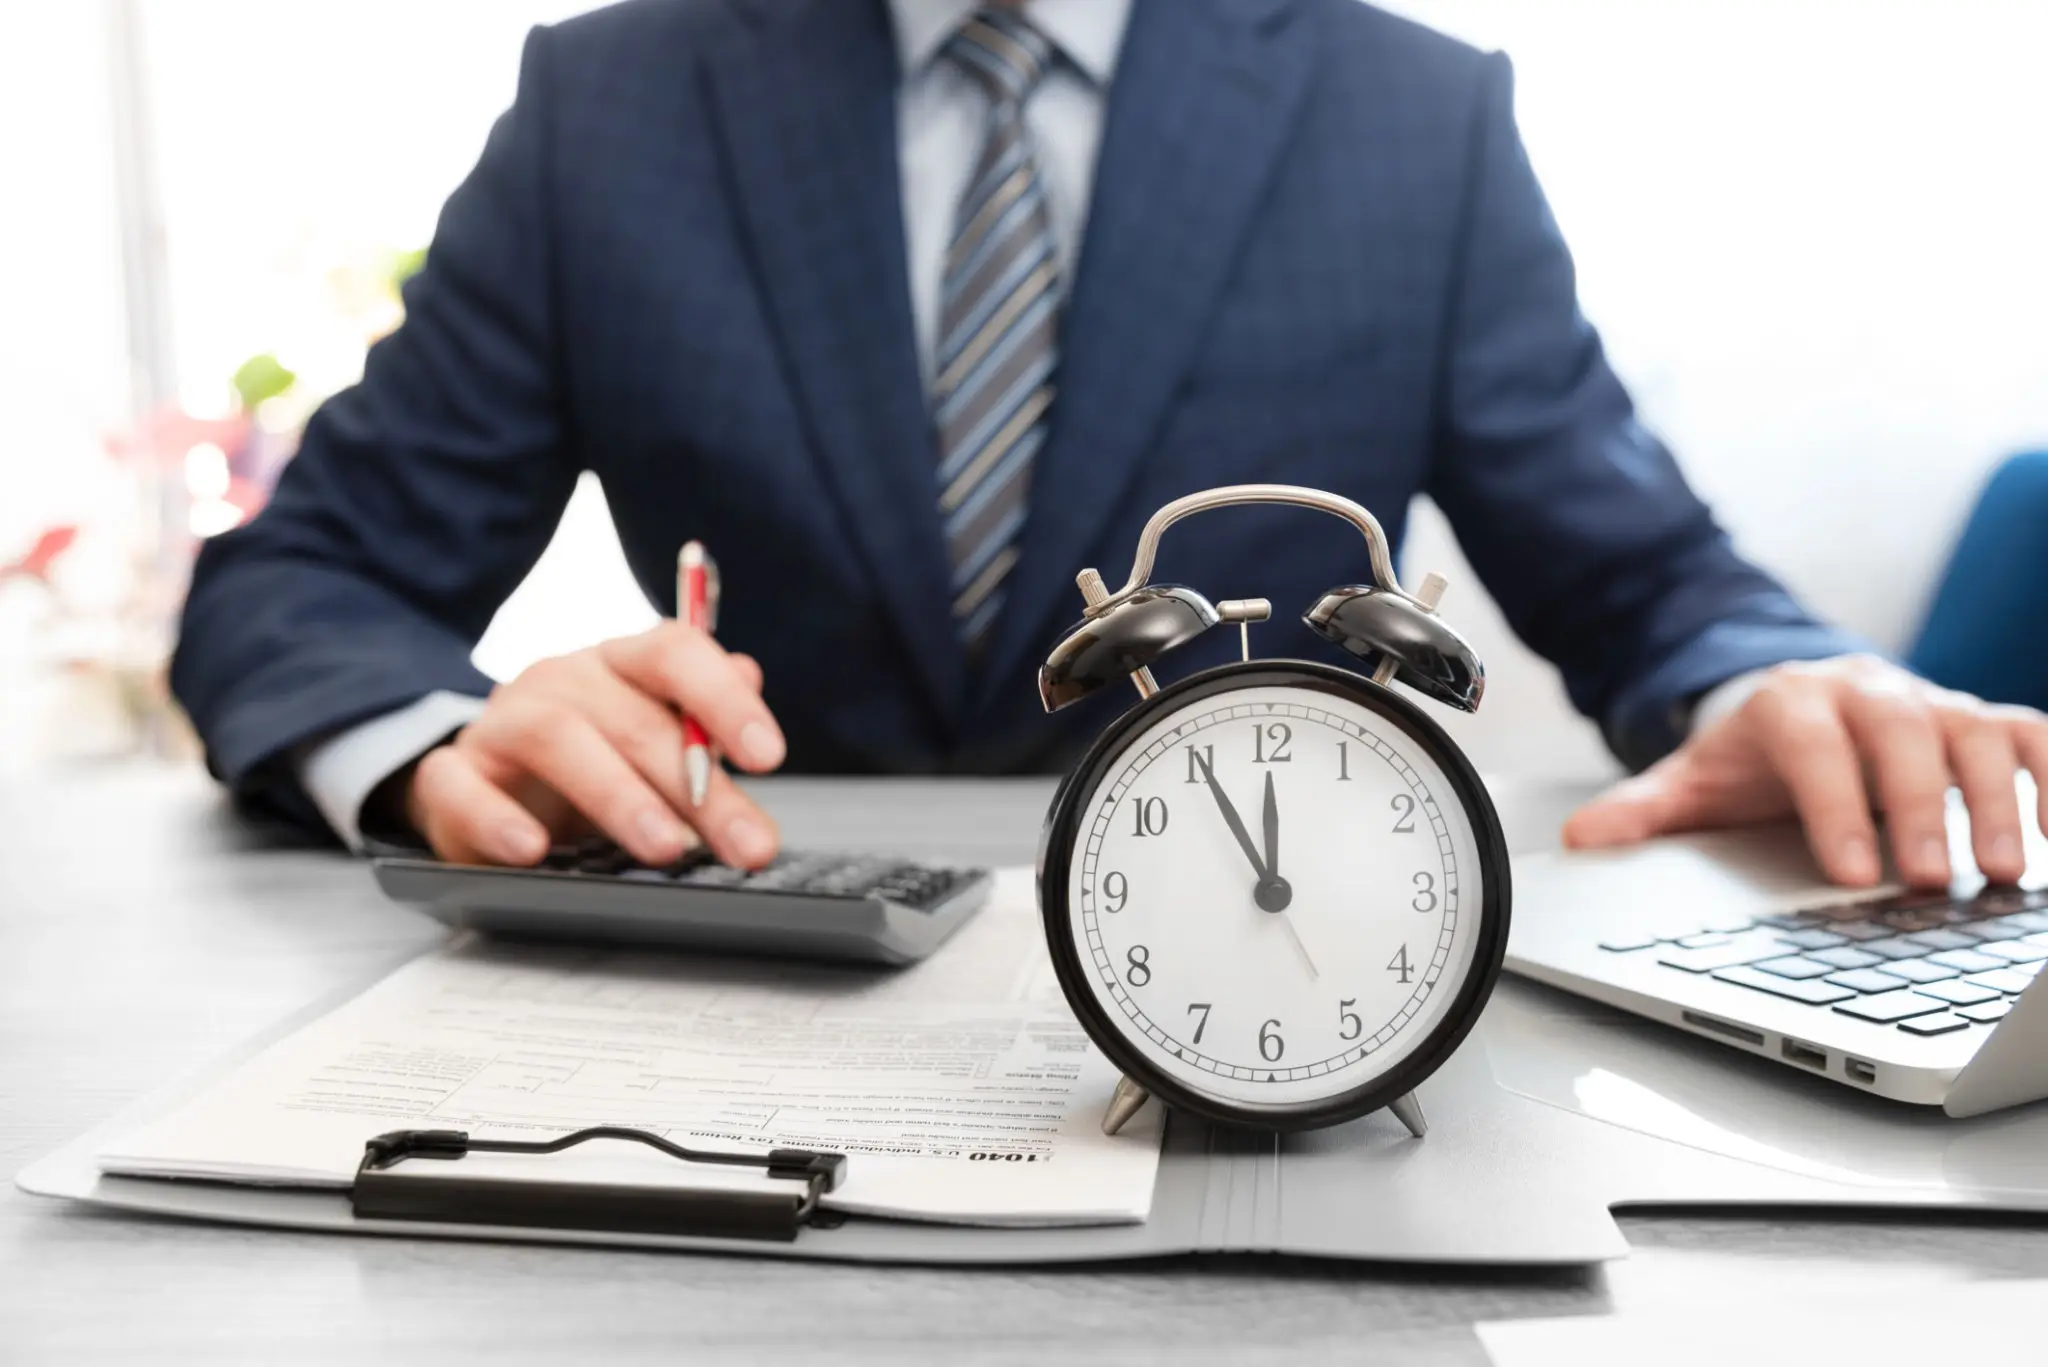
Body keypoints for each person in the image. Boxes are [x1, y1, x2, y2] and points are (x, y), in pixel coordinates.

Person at [171, 0, 2047, 891]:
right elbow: (305, 581)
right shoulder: (613, 103)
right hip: (751, 986)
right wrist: (439, 757)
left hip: (1284, 971)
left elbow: (1642, 573)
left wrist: (1781, 676)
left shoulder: (1416, 115)